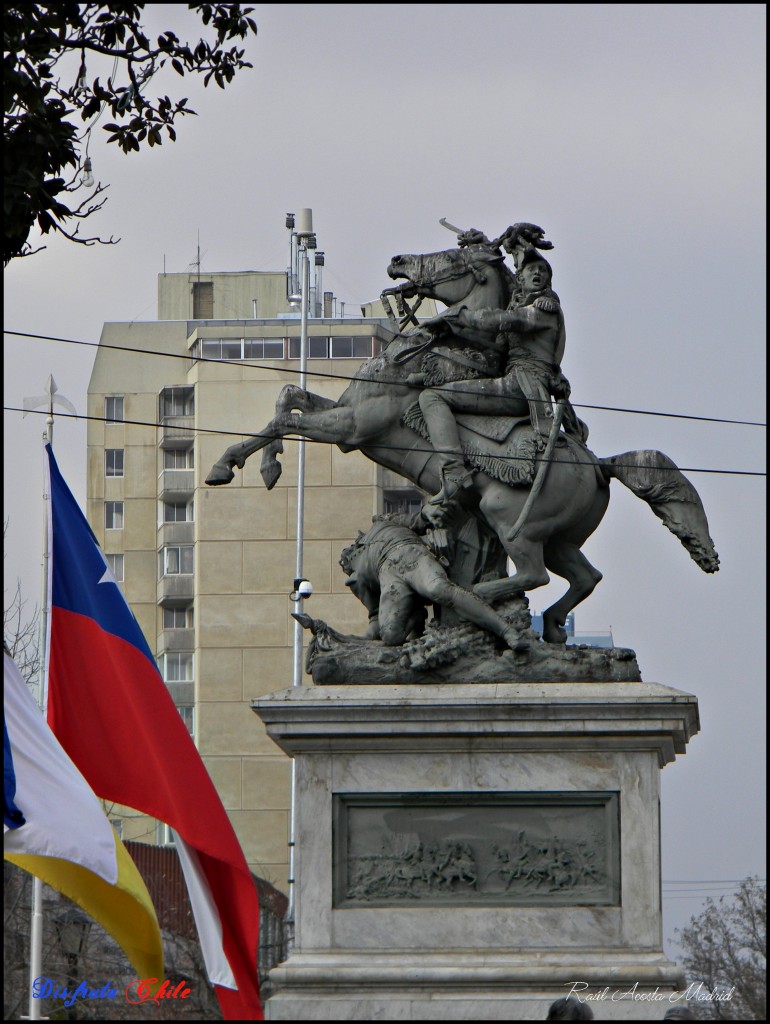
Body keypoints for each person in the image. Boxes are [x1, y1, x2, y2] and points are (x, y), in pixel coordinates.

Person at [413, 246, 582, 517]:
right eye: (531, 270)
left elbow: (507, 319)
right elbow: (495, 346)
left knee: (432, 398)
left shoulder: (544, 308)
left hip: (522, 386)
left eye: (542, 270)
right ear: (521, 279)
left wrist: (459, 315)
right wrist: (450, 329)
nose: (537, 273)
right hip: (513, 380)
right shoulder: (523, 310)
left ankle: (454, 472)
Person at [339, 513, 528, 650]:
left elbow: (418, 520)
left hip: (412, 553)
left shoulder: (383, 522)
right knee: (390, 635)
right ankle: (416, 617)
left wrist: (427, 516)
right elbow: (373, 620)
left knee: (439, 588)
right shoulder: (356, 573)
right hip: (388, 575)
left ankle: (506, 631)